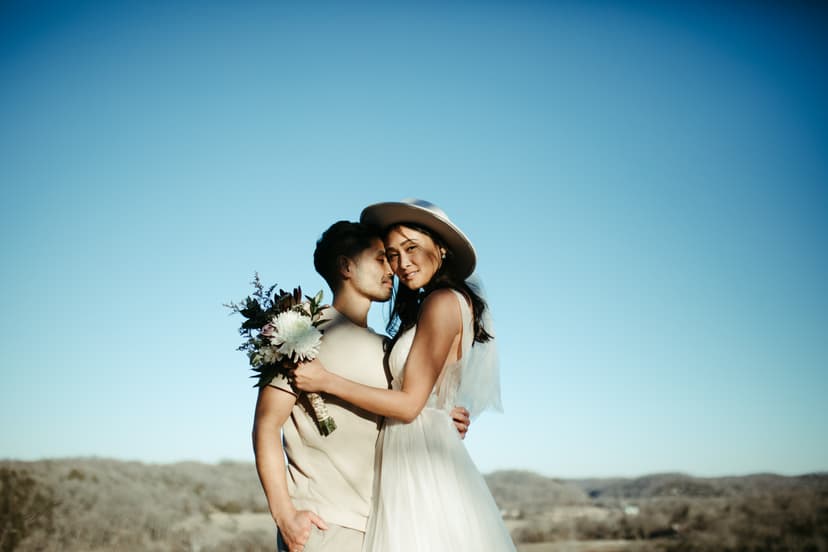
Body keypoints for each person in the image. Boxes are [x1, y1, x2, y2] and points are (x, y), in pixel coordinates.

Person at [294, 200, 516, 551]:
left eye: (411, 248)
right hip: (416, 446)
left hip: (418, 458)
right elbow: (424, 394)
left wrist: (325, 381)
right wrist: (442, 412)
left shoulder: (442, 302)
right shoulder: (436, 303)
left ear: (440, 248)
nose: (401, 264)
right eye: (392, 254)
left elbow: (410, 403)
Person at [252, 220, 471, 552]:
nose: (393, 269)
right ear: (346, 266)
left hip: (388, 526)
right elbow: (267, 424)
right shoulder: (301, 330)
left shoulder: (390, 348)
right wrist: (285, 515)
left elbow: (403, 407)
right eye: (382, 259)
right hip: (326, 524)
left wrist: (440, 417)